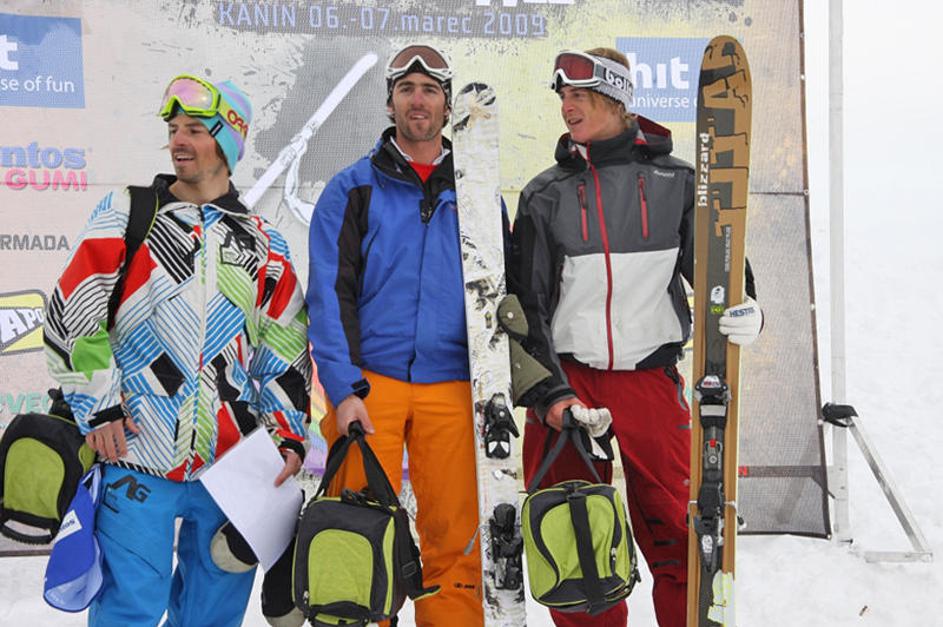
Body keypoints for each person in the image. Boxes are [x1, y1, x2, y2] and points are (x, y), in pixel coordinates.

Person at [43, 74, 311, 627]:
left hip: (232, 464)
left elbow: (283, 347)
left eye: (194, 130)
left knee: (212, 615)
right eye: (173, 130)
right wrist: (99, 406)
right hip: (136, 452)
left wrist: (287, 434)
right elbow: (74, 311)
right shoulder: (130, 214)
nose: (178, 141)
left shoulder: (264, 242)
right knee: (130, 610)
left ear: (227, 142)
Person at [508, 48, 763, 627]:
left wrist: (748, 309)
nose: (567, 106)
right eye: (563, 97)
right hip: (570, 382)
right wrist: (550, 396)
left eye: (580, 95)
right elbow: (527, 308)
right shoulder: (545, 194)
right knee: (575, 541)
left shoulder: (678, 183)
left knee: (680, 531)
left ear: (616, 99)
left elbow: (725, 277)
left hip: (648, 381)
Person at [306, 44, 483, 626]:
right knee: (359, 533)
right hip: (370, 385)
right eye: (406, 89)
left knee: (454, 540)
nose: (418, 100)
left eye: (430, 90)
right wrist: (342, 388)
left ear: (447, 105)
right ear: (390, 103)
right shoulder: (352, 188)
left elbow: (498, 295)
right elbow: (329, 296)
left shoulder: (475, 191)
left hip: (452, 385)